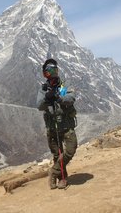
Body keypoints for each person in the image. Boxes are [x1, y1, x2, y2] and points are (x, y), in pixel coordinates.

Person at [37, 58, 78, 190]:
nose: (52, 73)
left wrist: (59, 98)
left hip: (66, 125)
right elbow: (39, 105)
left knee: (71, 149)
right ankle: (62, 178)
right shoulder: (43, 89)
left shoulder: (64, 85)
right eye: (49, 71)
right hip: (52, 126)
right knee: (57, 154)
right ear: (45, 73)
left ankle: (53, 172)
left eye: (54, 70)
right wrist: (47, 99)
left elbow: (71, 98)